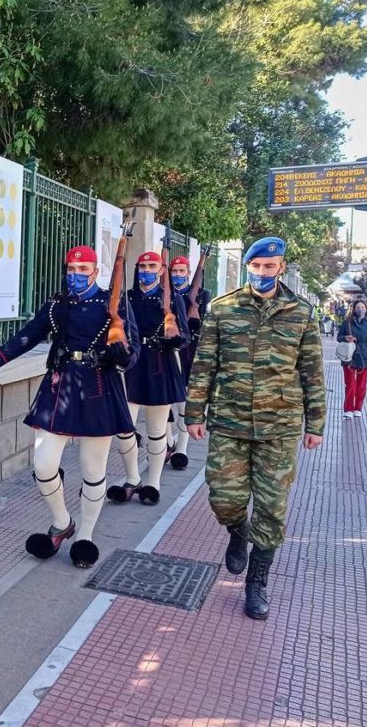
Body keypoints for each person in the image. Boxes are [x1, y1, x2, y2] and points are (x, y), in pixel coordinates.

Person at [0, 246, 140, 568]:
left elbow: (133, 353)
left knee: (93, 470)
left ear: (96, 272)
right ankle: (62, 522)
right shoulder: (57, 305)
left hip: (99, 388)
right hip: (60, 387)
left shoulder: (113, 304)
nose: (75, 275)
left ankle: (85, 535)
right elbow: (25, 338)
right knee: (44, 464)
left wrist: (122, 356)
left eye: (82, 270)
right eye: (71, 269)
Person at [186, 236, 325, 621]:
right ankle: (237, 531)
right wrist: (194, 413)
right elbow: (204, 365)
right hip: (229, 421)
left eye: (269, 266)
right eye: (257, 266)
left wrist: (316, 423)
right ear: (248, 266)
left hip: (280, 427)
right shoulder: (222, 308)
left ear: (281, 268)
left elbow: (312, 373)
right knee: (224, 498)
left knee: (271, 508)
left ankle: (257, 581)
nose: (262, 272)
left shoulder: (301, 313)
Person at [108, 251, 188, 506]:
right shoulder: (127, 297)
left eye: (152, 266)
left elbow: (185, 335)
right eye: (143, 266)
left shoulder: (172, 299)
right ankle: (133, 478)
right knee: (124, 429)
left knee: (156, 430)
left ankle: (153, 482)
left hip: (159, 364)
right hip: (133, 364)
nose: (146, 271)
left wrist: (174, 340)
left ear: (161, 270)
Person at [167, 254, 210, 470]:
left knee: (184, 402)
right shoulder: (165, 293)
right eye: (174, 271)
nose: (177, 275)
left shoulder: (202, 295)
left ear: (188, 272)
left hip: (190, 352)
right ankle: (168, 442)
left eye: (181, 271)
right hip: (167, 352)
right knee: (163, 403)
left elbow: (206, 325)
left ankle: (181, 449)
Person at [337, 300, 367, 419]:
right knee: (350, 384)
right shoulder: (347, 322)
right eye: (358, 307)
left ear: (366, 309)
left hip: (366, 356)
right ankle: (348, 409)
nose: (360, 309)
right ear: (354, 309)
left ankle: (358, 408)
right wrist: (346, 338)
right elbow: (339, 337)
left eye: (362, 307)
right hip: (349, 356)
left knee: (361, 385)